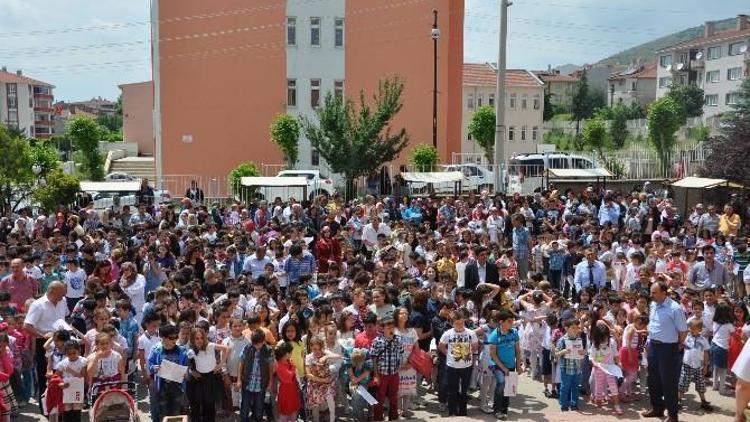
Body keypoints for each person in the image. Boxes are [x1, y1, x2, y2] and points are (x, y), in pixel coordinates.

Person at [643, 281, 688, 422]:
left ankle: (673, 414)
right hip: (653, 346)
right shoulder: (653, 305)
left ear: (664, 293)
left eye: (654, 292)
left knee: (668, 381)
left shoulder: (675, 308)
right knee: (653, 379)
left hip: (668, 348)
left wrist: (679, 344)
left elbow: (683, 330)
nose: (651, 295)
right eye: (651, 292)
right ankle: (657, 408)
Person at [23, 281, 68, 405]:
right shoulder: (38, 305)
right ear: (52, 291)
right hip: (44, 342)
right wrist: (43, 335)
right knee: (45, 375)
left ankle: (61, 404)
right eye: (61, 293)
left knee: (62, 373)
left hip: (63, 342)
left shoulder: (63, 301)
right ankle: (46, 406)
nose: (63, 296)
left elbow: (65, 317)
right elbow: (27, 325)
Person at [439, 308, 478, 417]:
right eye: (457, 323)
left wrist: (467, 354)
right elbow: (441, 346)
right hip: (452, 366)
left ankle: (463, 411)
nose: (460, 325)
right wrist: (449, 354)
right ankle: (452, 412)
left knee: (464, 390)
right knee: (452, 390)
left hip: (466, 366)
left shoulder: (470, 333)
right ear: (452, 323)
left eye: (462, 323)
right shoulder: (448, 334)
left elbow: (475, 346)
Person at [148, 324, 189, 420]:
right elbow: (150, 365)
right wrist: (154, 368)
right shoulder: (156, 350)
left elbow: (187, 368)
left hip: (177, 388)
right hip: (162, 387)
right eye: (171, 338)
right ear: (163, 337)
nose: (174, 340)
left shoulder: (182, 351)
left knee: (177, 413)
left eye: (176, 337)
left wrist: (187, 374)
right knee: (164, 413)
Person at [487, 310, 522, 420]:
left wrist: (518, 365)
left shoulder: (514, 332)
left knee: (509, 388)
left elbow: (518, 350)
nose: (512, 323)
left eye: (512, 321)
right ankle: (497, 410)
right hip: (498, 365)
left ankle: (504, 409)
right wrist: (503, 368)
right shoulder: (494, 336)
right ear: (501, 322)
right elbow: (493, 355)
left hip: (511, 365)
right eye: (509, 321)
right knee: (501, 384)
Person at [370, 316, 404, 421]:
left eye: (392, 327)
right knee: (380, 397)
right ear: (382, 328)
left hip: (394, 373)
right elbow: (374, 358)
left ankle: (393, 416)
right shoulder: (377, 341)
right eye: (388, 328)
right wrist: (376, 375)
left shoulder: (398, 339)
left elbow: (401, 353)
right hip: (381, 374)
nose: (391, 330)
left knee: (394, 396)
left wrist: (400, 365)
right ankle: (378, 417)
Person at [237, 329, 275, 422]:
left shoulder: (268, 350)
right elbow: (241, 364)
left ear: (263, 341)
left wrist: (270, 382)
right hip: (247, 382)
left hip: (261, 384)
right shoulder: (247, 348)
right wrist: (239, 380)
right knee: (245, 406)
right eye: (254, 344)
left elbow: (271, 368)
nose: (256, 346)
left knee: (259, 406)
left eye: (259, 344)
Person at [678, 318, 712, 411]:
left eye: (693, 329)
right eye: (690, 328)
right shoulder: (686, 337)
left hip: (699, 366)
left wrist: (705, 366)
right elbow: (680, 347)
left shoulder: (704, 340)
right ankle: (678, 400)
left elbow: (705, 353)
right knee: (683, 383)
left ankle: (703, 401)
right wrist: (680, 346)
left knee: (701, 384)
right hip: (687, 365)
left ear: (700, 330)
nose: (690, 330)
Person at [556, 318, 586, 412]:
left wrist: (583, 353)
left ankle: (574, 404)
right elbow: (556, 354)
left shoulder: (579, 340)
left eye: (577, 328)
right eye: (573, 328)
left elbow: (583, 354)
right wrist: (563, 351)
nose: (575, 330)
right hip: (566, 369)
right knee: (565, 388)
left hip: (577, 369)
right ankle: (564, 405)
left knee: (575, 388)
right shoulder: (562, 340)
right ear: (566, 328)